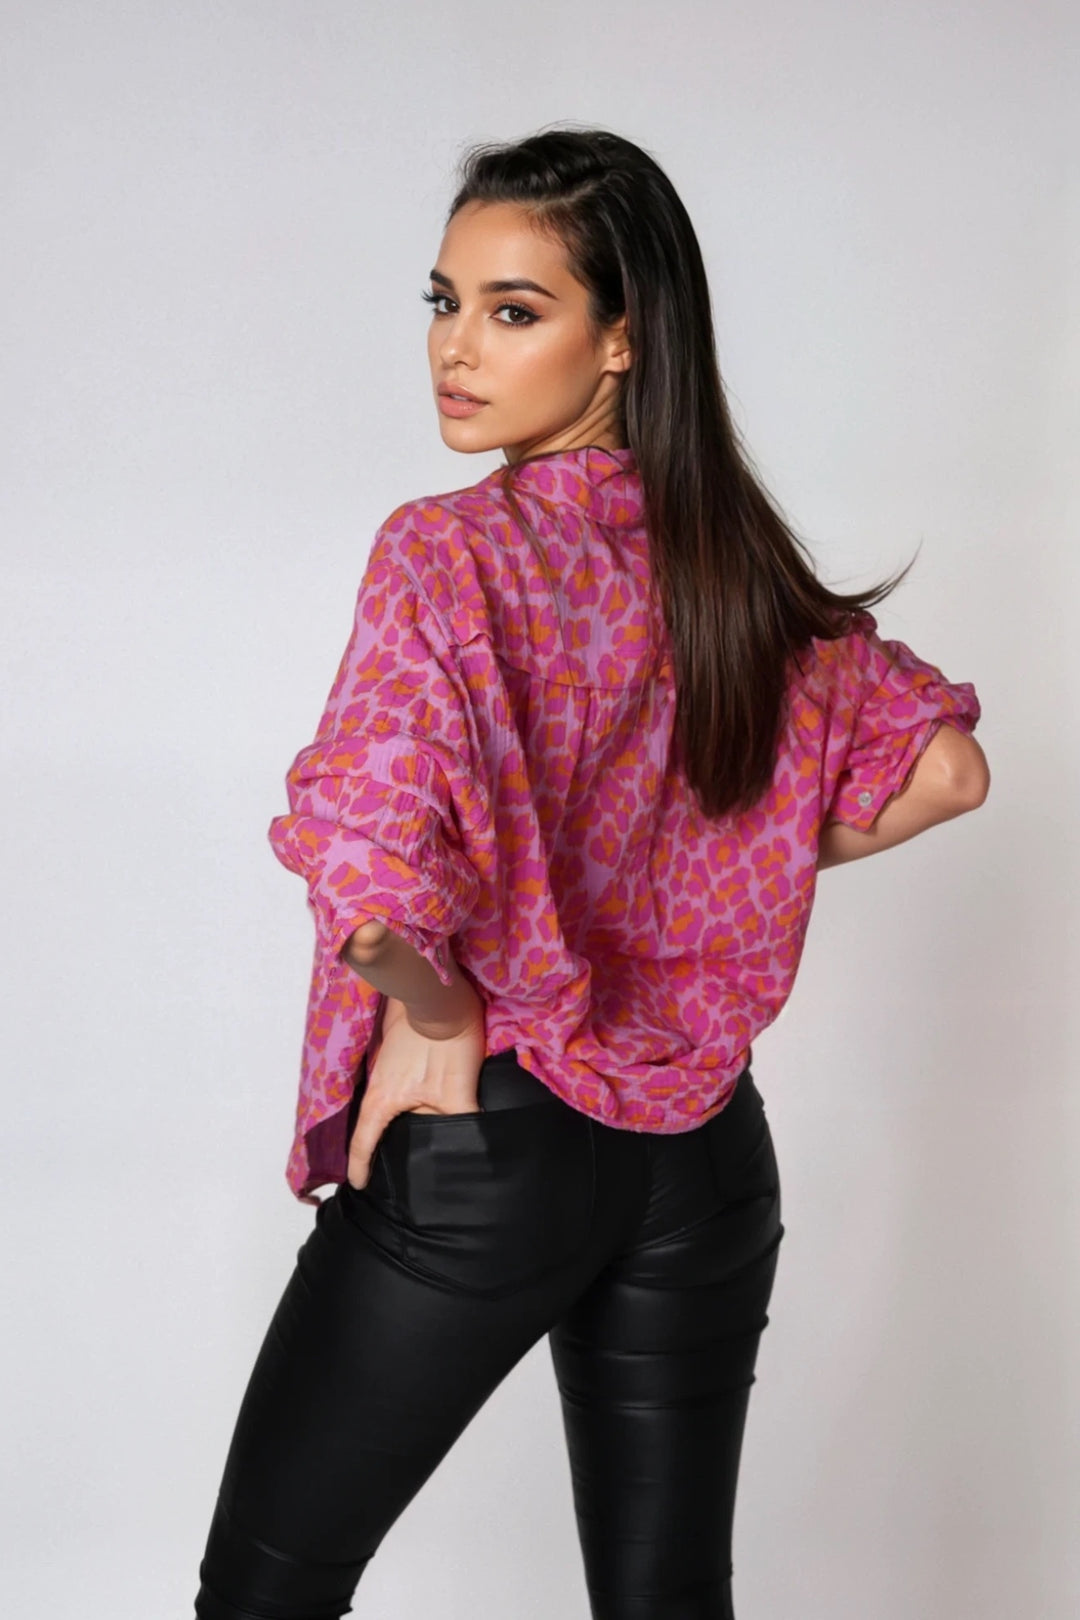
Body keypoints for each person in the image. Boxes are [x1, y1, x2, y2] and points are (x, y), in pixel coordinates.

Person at [193, 126, 988, 1620]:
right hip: (705, 1156)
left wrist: (435, 1010)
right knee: (667, 1600)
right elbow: (946, 771)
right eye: (445, 303)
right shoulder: (733, 566)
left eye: (515, 310)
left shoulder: (448, 554)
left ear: (623, 338)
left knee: (265, 1592)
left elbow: (367, 866)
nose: (457, 349)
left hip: (493, 1140)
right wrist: (727, 856)